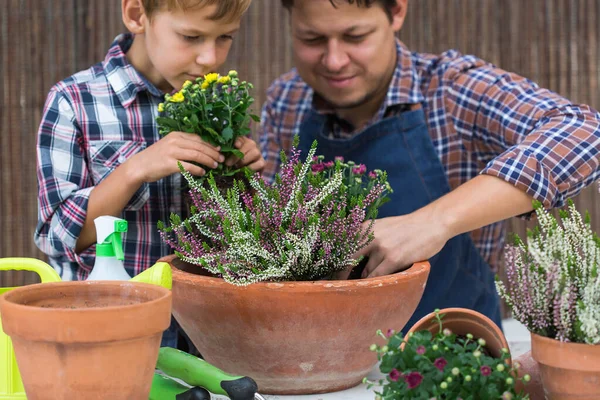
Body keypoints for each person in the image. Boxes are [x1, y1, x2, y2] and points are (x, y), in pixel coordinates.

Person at [259, 0, 600, 329]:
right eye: (312, 39)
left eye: (355, 37)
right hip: (322, 363)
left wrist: (433, 222)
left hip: (452, 363)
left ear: (396, 11)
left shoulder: (451, 90)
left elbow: (586, 131)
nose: (334, 61)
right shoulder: (287, 101)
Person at [34, 0, 264, 348]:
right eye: (191, 36)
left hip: (204, 332)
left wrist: (242, 177)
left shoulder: (221, 104)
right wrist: (135, 170)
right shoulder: (75, 101)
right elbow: (57, 236)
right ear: (137, 15)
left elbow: (244, 232)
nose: (211, 59)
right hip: (105, 325)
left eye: (225, 37)